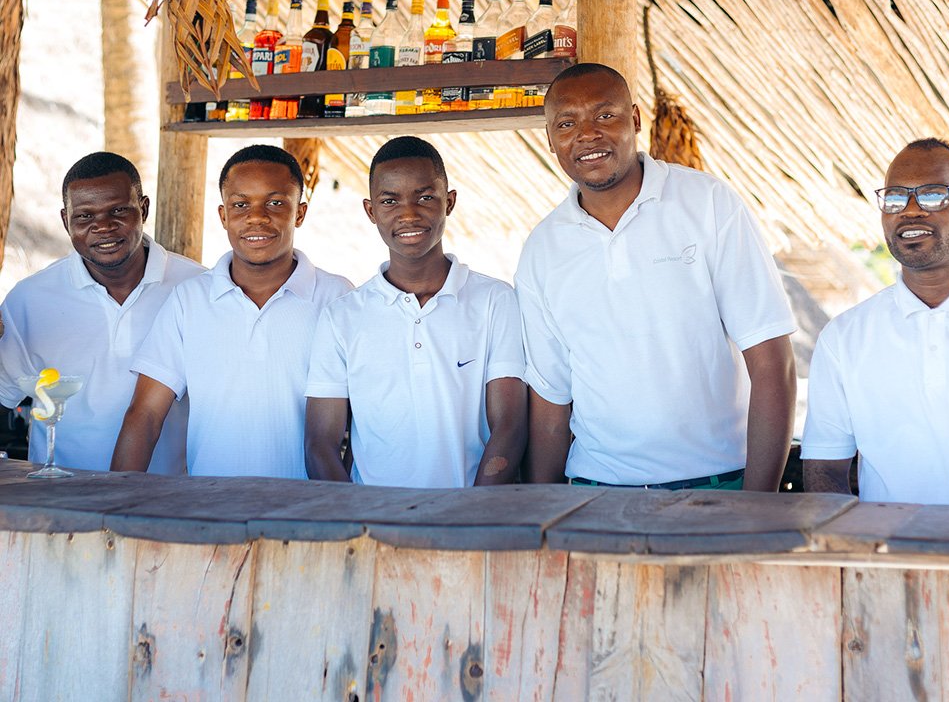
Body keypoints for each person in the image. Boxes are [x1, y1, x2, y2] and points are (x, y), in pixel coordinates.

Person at [517, 63, 797, 490]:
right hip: (595, 493)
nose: (587, 134)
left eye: (604, 115)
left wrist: (757, 504)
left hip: (717, 486)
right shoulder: (542, 249)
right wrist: (543, 512)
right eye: (567, 123)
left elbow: (772, 361)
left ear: (634, 120)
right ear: (551, 140)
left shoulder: (708, 205)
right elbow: (551, 401)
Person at [111, 145, 352, 478]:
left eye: (276, 202)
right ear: (224, 216)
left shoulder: (337, 297)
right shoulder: (189, 300)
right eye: (241, 204)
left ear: (300, 212)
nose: (257, 217)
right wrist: (114, 502)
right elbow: (146, 414)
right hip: (210, 510)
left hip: (306, 512)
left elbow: (366, 414)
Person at [304, 136, 527, 487]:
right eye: (390, 201)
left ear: (449, 202)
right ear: (370, 211)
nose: (408, 214)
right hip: (370, 522)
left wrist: (474, 513)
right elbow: (320, 444)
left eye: (425, 197)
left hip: (469, 516)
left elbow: (510, 426)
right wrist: (356, 519)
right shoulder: (342, 316)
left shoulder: (494, 301)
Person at [802, 138, 949, 505]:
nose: (910, 210)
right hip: (887, 556)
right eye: (895, 197)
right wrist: (857, 552)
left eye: (932, 195)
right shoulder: (845, 338)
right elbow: (824, 469)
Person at [0, 152, 203, 472]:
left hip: (172, 499)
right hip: (60, 499)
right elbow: (4, 398)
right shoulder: (29, 299)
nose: (104, 227)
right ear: (66, 221)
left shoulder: (199, 289)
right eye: (84, 217)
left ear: (144, 209)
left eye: (119, 210)